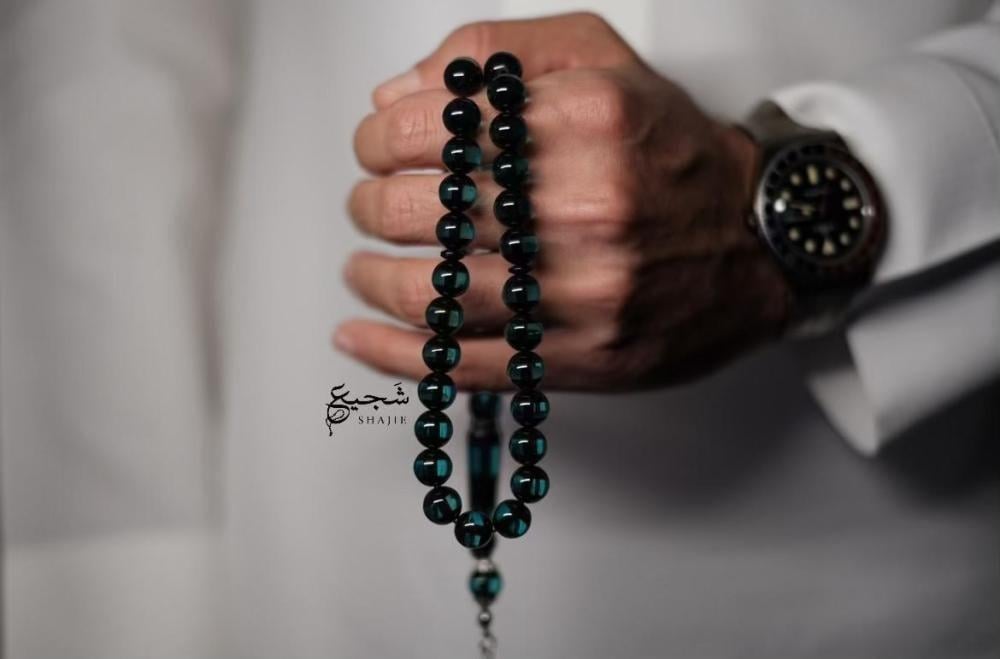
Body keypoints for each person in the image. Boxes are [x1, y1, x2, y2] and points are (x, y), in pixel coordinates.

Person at [1, 2, 996, 658]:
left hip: (876, 525)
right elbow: (106, 75)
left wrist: (839, 186)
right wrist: (116, 599)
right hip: (315, 512)